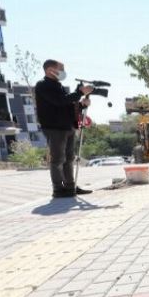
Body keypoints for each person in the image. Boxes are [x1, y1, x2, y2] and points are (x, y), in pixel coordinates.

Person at [34, 60, 94, 198]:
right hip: (54, 128)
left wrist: (82, 105)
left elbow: (66, 105)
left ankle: (70, 187)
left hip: (67, 126)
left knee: (69, 158)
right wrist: (79, 92)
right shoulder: (43, 86)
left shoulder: (58, 85)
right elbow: (59, 101)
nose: (63, 72)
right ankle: (58, 190)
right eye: (61, 69)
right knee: (57, 159)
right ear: (50, 70)